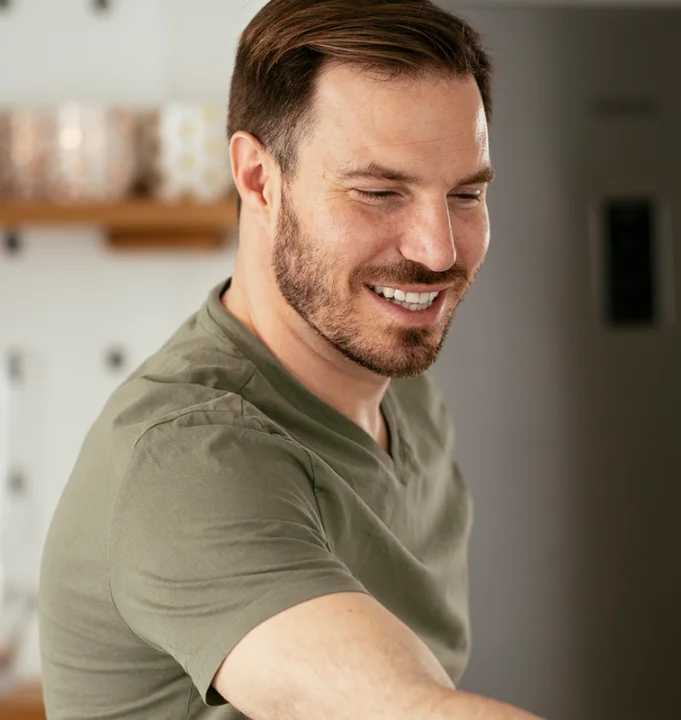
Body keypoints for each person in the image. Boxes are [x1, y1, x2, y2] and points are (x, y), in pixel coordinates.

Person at [39, 1, 542, 718]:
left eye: (466, 194)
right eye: (379, 193)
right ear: (257, 177)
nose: (438, 250)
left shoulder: (403, 394)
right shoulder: (187, 459)